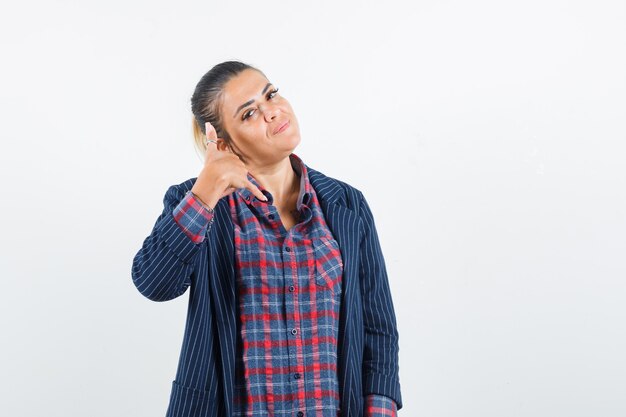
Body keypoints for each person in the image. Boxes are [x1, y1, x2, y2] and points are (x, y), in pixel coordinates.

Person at [131, 60, 402, 417]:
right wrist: (207, 190)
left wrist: (380, 409)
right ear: (223, 142)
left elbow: (378, 326)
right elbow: (154, 282)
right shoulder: (200, 203)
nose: (272, 111)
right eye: (249, 113)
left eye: (271, 94)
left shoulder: (346, 203)